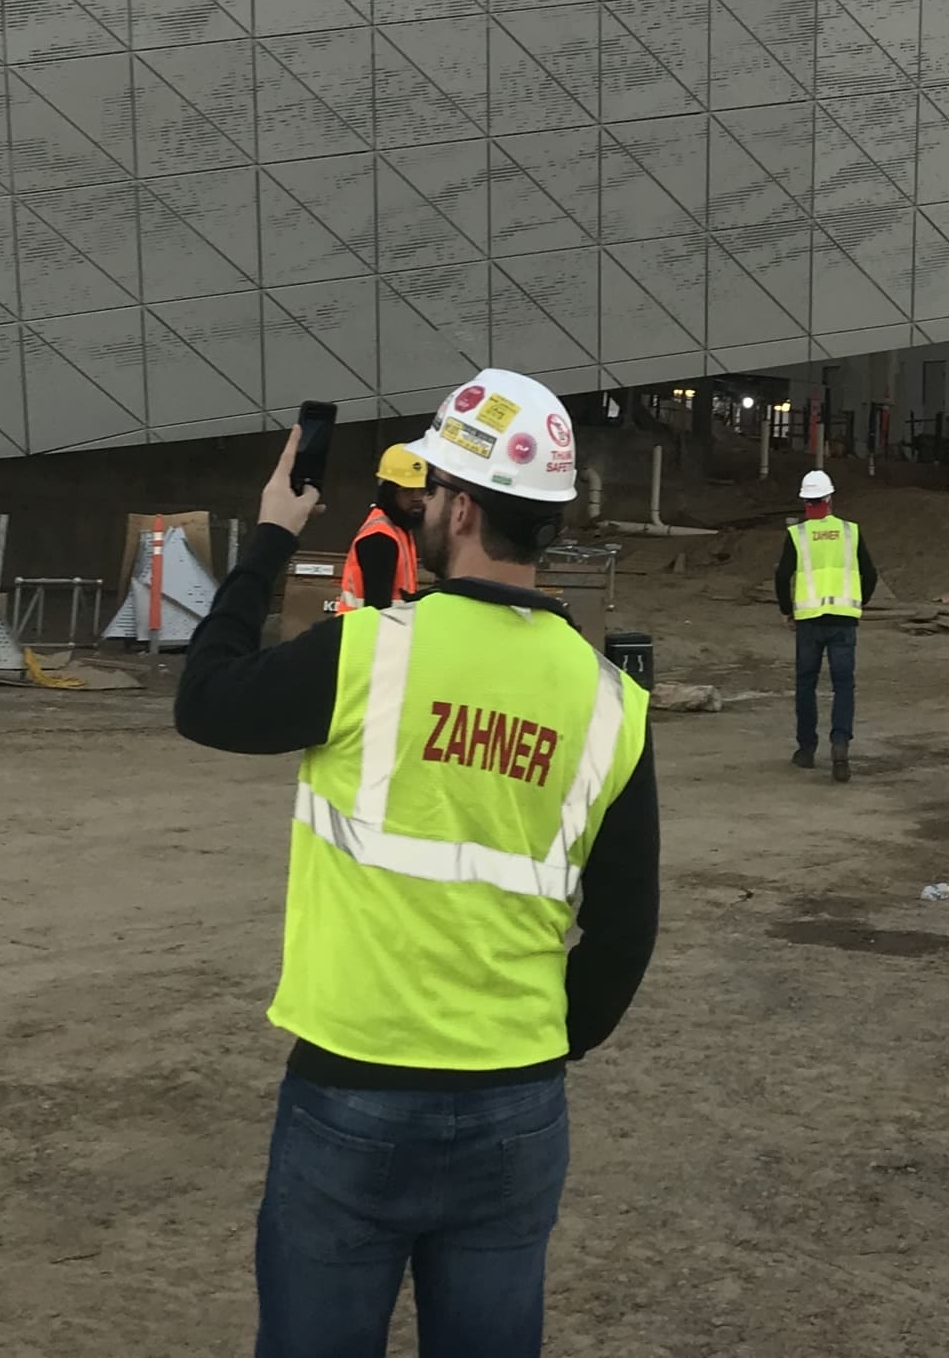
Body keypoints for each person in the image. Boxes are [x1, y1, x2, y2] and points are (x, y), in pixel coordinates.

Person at [175, 370, 659, 1358]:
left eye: (434, 488)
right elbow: (623, 928)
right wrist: (543, 1045)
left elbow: (206, 697)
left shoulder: (366, 657)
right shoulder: (611, 704)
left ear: (464, 510)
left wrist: (273, 531)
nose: (425, 503)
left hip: (353, 1090)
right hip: (516, 1101)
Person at [775, 467, 877, 781]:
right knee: (843, 684)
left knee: (806, 684)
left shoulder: (798, 535)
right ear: (830, 498)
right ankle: (840, 743)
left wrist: (787, 611)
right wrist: (859, 603)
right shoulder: (851, 532)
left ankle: (806, 750)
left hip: (808, 622)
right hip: (844, 621)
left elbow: (782, 576)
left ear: (806, 501)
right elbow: (870, 574)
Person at [337, 442, 428, 609]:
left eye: (420, 490)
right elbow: (378, 609)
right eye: (407, 490)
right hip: (366, 633)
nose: (417, 498)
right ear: (389, 492)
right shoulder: (380, 539)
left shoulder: (399, 529)